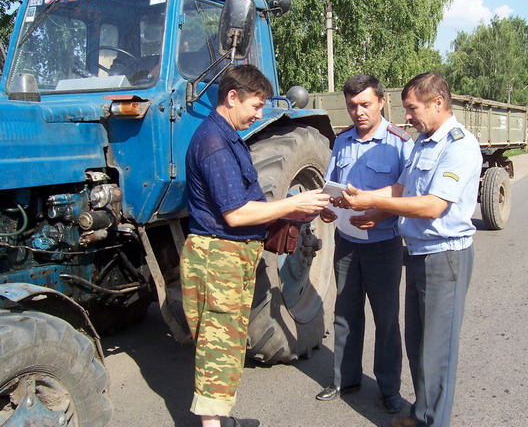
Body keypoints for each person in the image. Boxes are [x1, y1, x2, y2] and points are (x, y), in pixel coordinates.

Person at [180, 64, 330, 427]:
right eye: (256, 106)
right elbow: (236, 213)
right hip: (219, 259)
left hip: (228, 258)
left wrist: (297, 216)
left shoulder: (228, 137)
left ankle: (219, 420)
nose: (260, 115)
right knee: (218, 346)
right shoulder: (215, 143)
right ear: (232, 98)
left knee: (227, 344)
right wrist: (295, 204)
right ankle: (213, 425)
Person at [341, 72, 482, 427]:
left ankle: (434, 421)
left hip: (445, 255)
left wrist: (370, 198)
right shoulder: (423, 141)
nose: (408, 117)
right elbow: (402, 190)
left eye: (412, 108)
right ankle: (421, 415)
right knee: (418, 344)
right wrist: (374, 210)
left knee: (437, 350)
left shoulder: (459, 145)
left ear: (438, 103)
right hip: (419, 252)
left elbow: (434, 205)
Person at [315, 74, 414, 413]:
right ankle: (346, 378)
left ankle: (389, 388)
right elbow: (333, 184)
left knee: (386, 319)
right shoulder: (342, 141)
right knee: (345, 312)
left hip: (383, 244)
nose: (358, 112)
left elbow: (409, 194)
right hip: (346, 242)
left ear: (382, 102)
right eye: (352, 106)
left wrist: (381, 216)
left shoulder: (400, 142)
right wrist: (328, 210)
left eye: (365, 104)